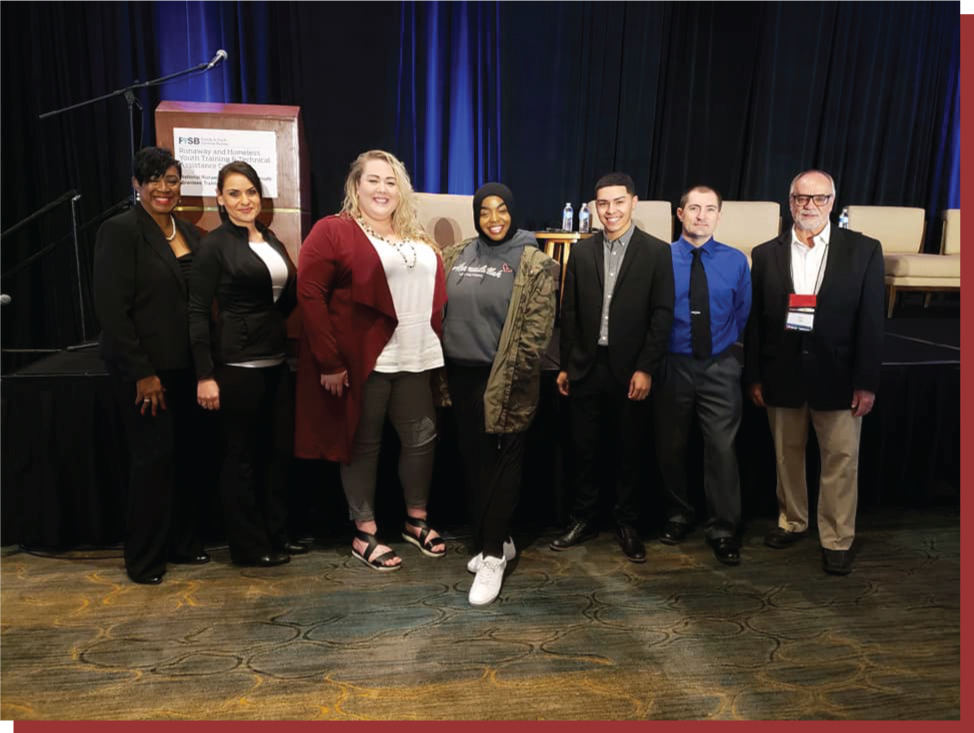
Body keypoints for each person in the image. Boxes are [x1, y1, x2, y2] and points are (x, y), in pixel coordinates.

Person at [294, 150, 448, 572]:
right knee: (362, 447)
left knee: (422, 441)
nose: (382, 189)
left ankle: (415, 520)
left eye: (391, 181)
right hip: (364, 361)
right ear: (355, 186)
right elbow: (310, 295)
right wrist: (328, 360)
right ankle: (364, 531)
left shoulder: (416, 236)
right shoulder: (333, 231)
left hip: (417, 356)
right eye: (373, 181)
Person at [744, 170, 884, 576]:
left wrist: (867, 382)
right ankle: (793, 521)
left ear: (832, 203)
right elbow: (756, 323)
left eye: (818, 199)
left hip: (838, 376)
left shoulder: (864, 250)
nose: (809, 206)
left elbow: (872, 323)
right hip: (781, 373)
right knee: (786, 456)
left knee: (840, 459)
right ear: (790, 202)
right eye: (801, 198)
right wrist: (754, 375)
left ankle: (837, 538)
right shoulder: (766, 252)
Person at [93, 146, 210, 584]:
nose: (164, 188)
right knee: (152, 463)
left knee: (186, 460)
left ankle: (181, 544)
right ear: (136, 185)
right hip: (144, 371)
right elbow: (112, 310)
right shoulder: (120, 231)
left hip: (186, 368)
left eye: (172, 180)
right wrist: (143, 372)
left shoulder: (193, 234)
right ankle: (144, 559)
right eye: (154, 180)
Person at [439, 183, 557, 606]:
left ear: (514, 212)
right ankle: (496, 539)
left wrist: (511, 377)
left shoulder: (533, 261)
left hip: (503, 376)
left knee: (502, 464)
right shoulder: (457, 255)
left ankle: (492, 557)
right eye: (485, 211)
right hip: (460, 376)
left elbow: (536, 333)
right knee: (475, 464)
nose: (493, 218)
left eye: (502, 210)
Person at [552, 172, 674, 562]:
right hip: (587, 367)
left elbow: (662, 315)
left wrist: (647, 368)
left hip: (631, 370)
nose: (610, 211)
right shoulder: (583, 252)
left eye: (618, 202)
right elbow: (568, 312)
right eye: (602, 203)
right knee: (584, 449)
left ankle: (627, 523)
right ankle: (583, 518)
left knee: (628, 450)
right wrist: (566, 364)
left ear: (634, 202)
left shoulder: (657, 252)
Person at [189, 160, 302, 567]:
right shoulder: (214, 245)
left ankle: (277, 535)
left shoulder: (269, 238)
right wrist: (205, 374)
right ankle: (250, 547)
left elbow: (287, 296)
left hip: (276, 362)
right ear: (220, 199)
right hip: (236, 366)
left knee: (276, 453)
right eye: (234, 193)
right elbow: (198, 312)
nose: (244, 200)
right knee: (241, 459)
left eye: (250, 191)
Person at [653, 186, 751, 565]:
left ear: (719, 216)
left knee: (722, 450)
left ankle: (724, 528)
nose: (701, 216)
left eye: (710, 209)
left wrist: (721, 348)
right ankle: (677, 515)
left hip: (718, 366)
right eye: (693, 208)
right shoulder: (660, 259)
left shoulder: (736, 261)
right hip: (671, 364)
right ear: (680, 214)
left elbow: (741, 314)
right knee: (670, 446)